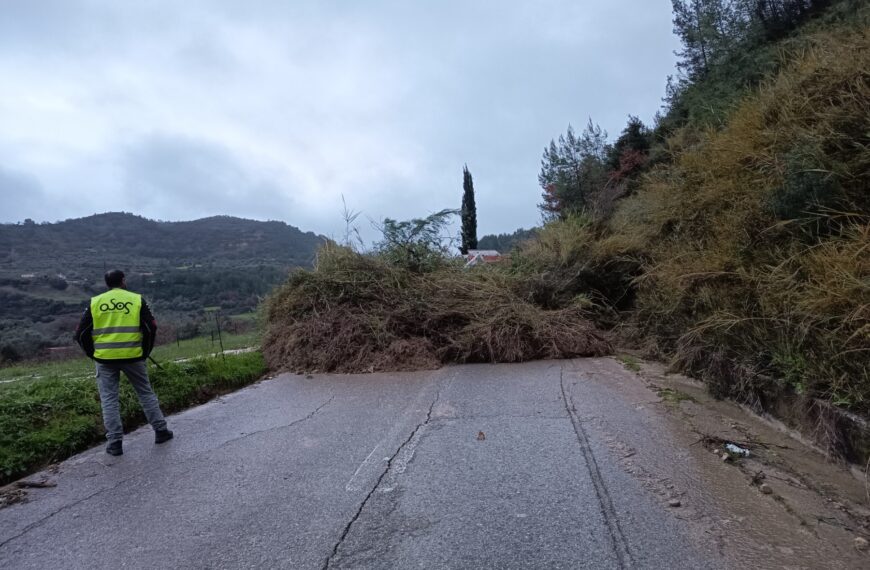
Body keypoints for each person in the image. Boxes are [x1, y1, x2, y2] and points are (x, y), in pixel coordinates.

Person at [74, 269, 173, 456]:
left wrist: (93, 354)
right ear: (123, 281)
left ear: (107, 283)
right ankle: (161, 431)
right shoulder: (136, 299)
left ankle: (115, 443)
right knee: (145, 392)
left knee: (109, 399)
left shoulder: (95, 302)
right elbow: (151, 327)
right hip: (133, 356)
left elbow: (81, 333)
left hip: (104, 359)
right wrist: (145, 351)